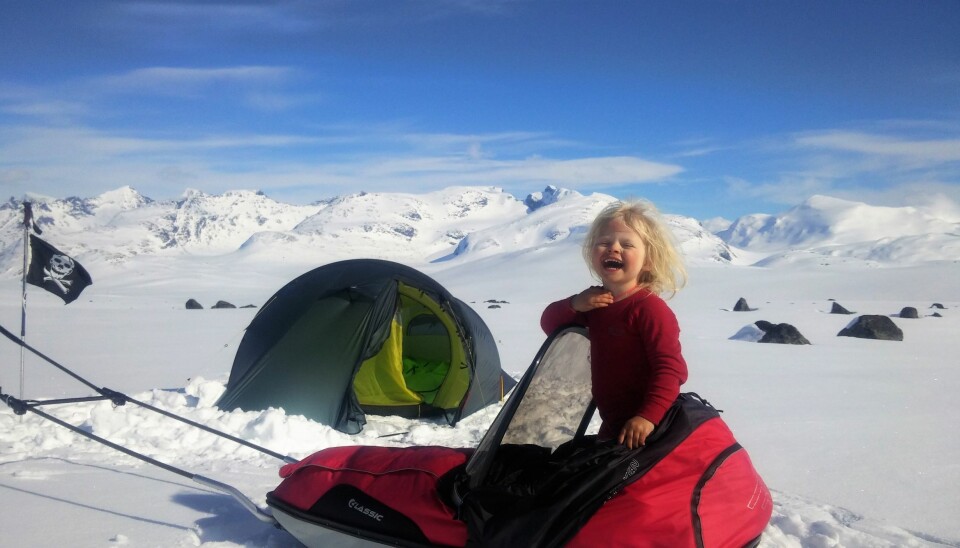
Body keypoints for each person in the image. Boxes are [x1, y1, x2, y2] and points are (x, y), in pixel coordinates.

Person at [540, 200, 688, 450]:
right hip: (613, 424)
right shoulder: (596, 304)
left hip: (647, 430)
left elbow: (671, 369)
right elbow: (550, 325)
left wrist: (647, 417)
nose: (614, 249)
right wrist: (575, 303)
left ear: (648, 261)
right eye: (604, 243)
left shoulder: (649, 309)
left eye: (627, 244)